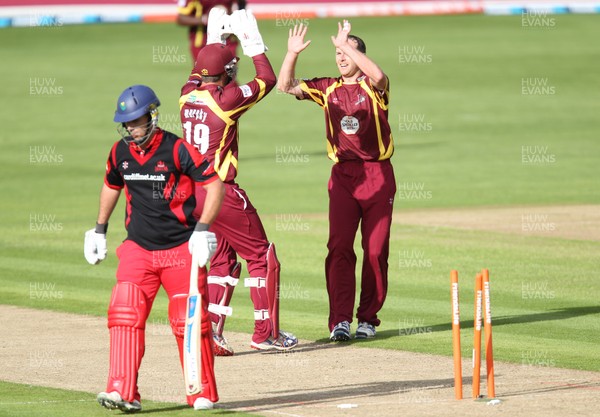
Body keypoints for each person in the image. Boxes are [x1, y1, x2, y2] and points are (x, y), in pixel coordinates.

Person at [84, 84, 225, 412]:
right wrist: (99, 230)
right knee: (124, 311)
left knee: (190, 321)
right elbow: (111, 186)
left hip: (181, 248)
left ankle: (200, 392)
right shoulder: (120, 153)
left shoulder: (178, 149)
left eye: (136, 122)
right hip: (138, 248)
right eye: (127, 124)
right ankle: (122, 391)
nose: (131, 129)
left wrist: (203, 229)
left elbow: (214, 185)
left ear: (152, 116)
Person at [179, 9, 298, 355]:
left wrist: (215, 38)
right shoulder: (227, 101)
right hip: (224, 192)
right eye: (229, 68)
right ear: (224, 74)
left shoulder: (186, 94)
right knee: (262, 255)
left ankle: (213, 332)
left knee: (222, 261)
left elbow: (199, 70)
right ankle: (266, 332)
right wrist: (253, 43)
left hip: (194, 194)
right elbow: (268, 79)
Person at [277, 21, 396, 342]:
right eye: (337, 53)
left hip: (377, 175)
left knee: (374, 251)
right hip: (342, 177)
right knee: (339, 247)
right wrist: (291, 55)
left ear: (359, 55)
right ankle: (340, 321)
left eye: (346, 52)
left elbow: (381, 77)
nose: (340, 58)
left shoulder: (374, 88)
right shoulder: (328, 87)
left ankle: (367, 319)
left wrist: (349, 45)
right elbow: (285, 86)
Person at [176, 0, 245, 61]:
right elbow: (181, 18)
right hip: (202, 42)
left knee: (229, 74)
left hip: (228, 41)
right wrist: (205, 19)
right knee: (206, 74)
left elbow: (241, 5)